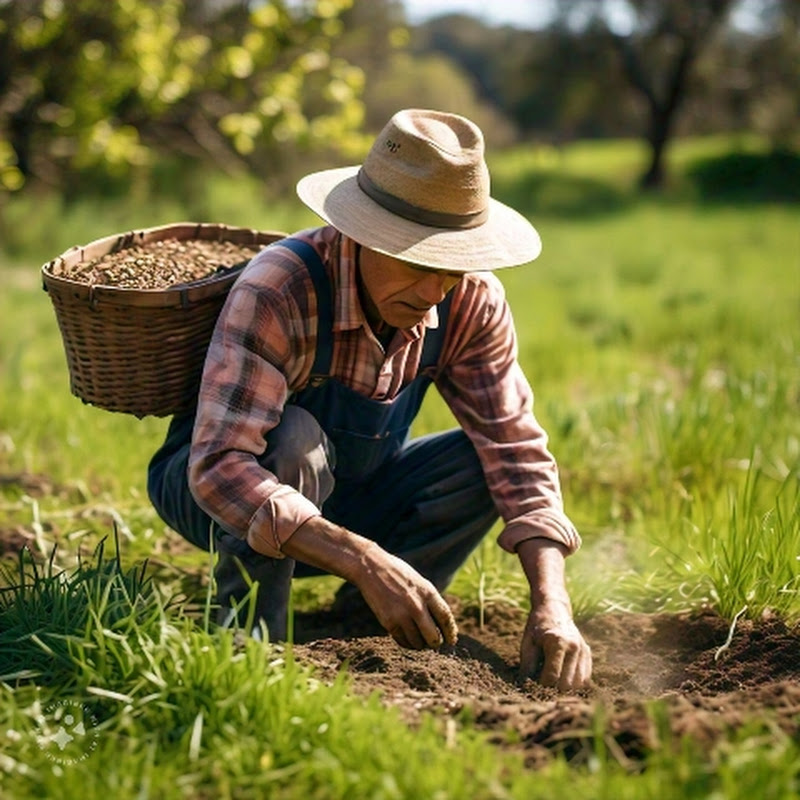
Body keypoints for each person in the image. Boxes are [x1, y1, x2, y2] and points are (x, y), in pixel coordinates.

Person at [148, 108, 592, 690]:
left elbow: (516, 450)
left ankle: (377, 622)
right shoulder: (281, 288)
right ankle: (248, 641)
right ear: (361, 236)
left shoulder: (472, 302)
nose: (435, 295)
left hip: (351, 495)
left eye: (451, 268)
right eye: (417, 262)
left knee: (482, 459)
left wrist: (553, 603)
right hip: (214, 493)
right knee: (294, 440)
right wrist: (362, 559)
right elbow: (218, 467)